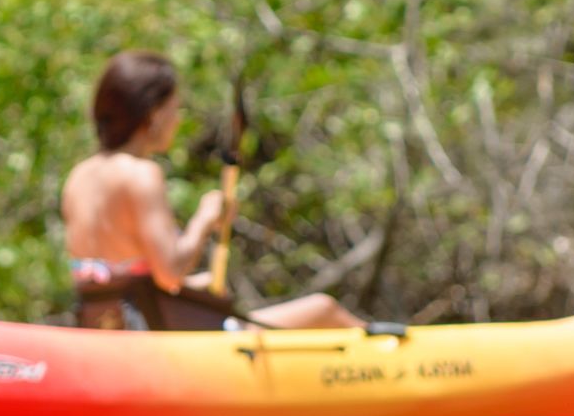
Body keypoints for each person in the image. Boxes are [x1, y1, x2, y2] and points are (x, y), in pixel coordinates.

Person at [61, 52, 360, 332]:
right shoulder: (141, 174)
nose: (177, 120)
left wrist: (195, 285)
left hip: (109, 327)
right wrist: (204, 220)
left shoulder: (79, 176)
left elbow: (120, 274)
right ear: (152, 114)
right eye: (174, 109)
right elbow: (170, 272)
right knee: (324, 309)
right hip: (162, 336)